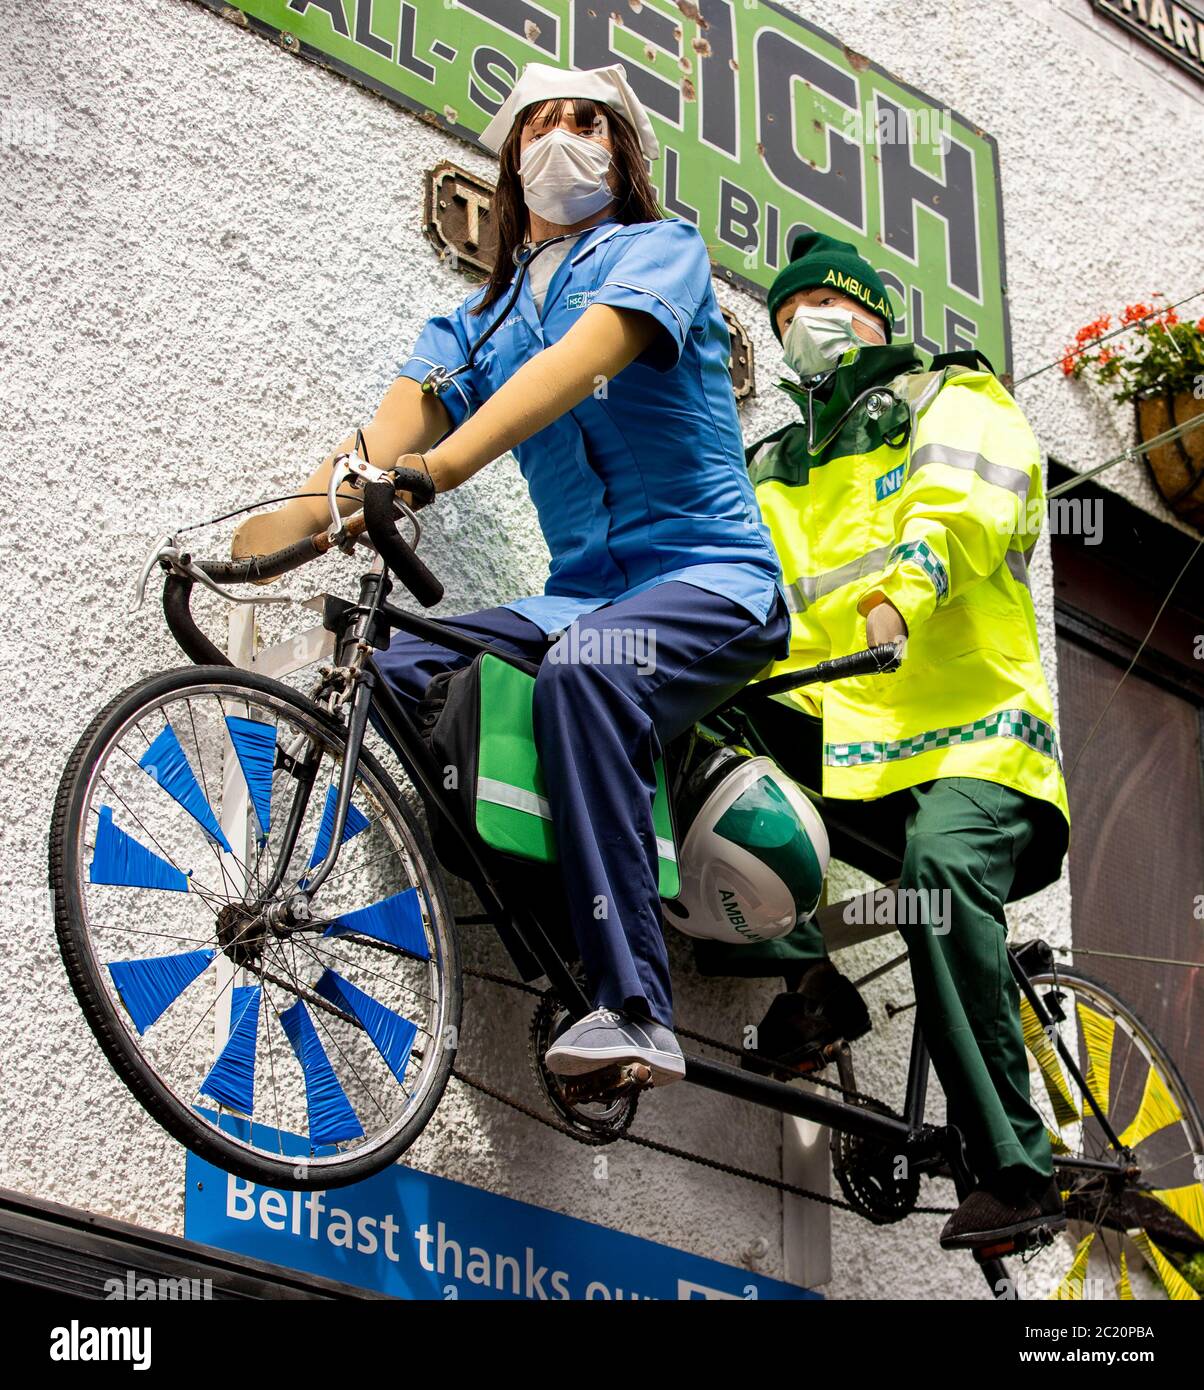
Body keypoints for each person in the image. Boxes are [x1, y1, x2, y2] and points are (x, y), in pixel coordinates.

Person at [231, 61, 790, 1088]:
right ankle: (546, 914)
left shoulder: (657, 252)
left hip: (708, 580)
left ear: (621, 160)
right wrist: (256, 549)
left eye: (590, 123)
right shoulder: (470, 329)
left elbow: (582, 359)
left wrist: (439, 468)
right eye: (542, 122)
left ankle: (634, 1004)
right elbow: (364, 456)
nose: (564, 137)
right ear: (509, 155)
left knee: (587, 671)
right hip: (580, 593)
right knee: (394, 666)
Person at [698, 230, 1072, 1250]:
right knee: (691, 710)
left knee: (938, 870)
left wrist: (900, 595)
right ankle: (809, 973)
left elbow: (960, 506)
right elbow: (736, 587)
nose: (806, 325)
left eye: (827, 303)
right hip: (850, 741)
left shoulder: (949, 396)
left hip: (972, 746)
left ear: (873, 315)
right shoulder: (772, 460)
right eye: (786, 314)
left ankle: (1014, 1170)